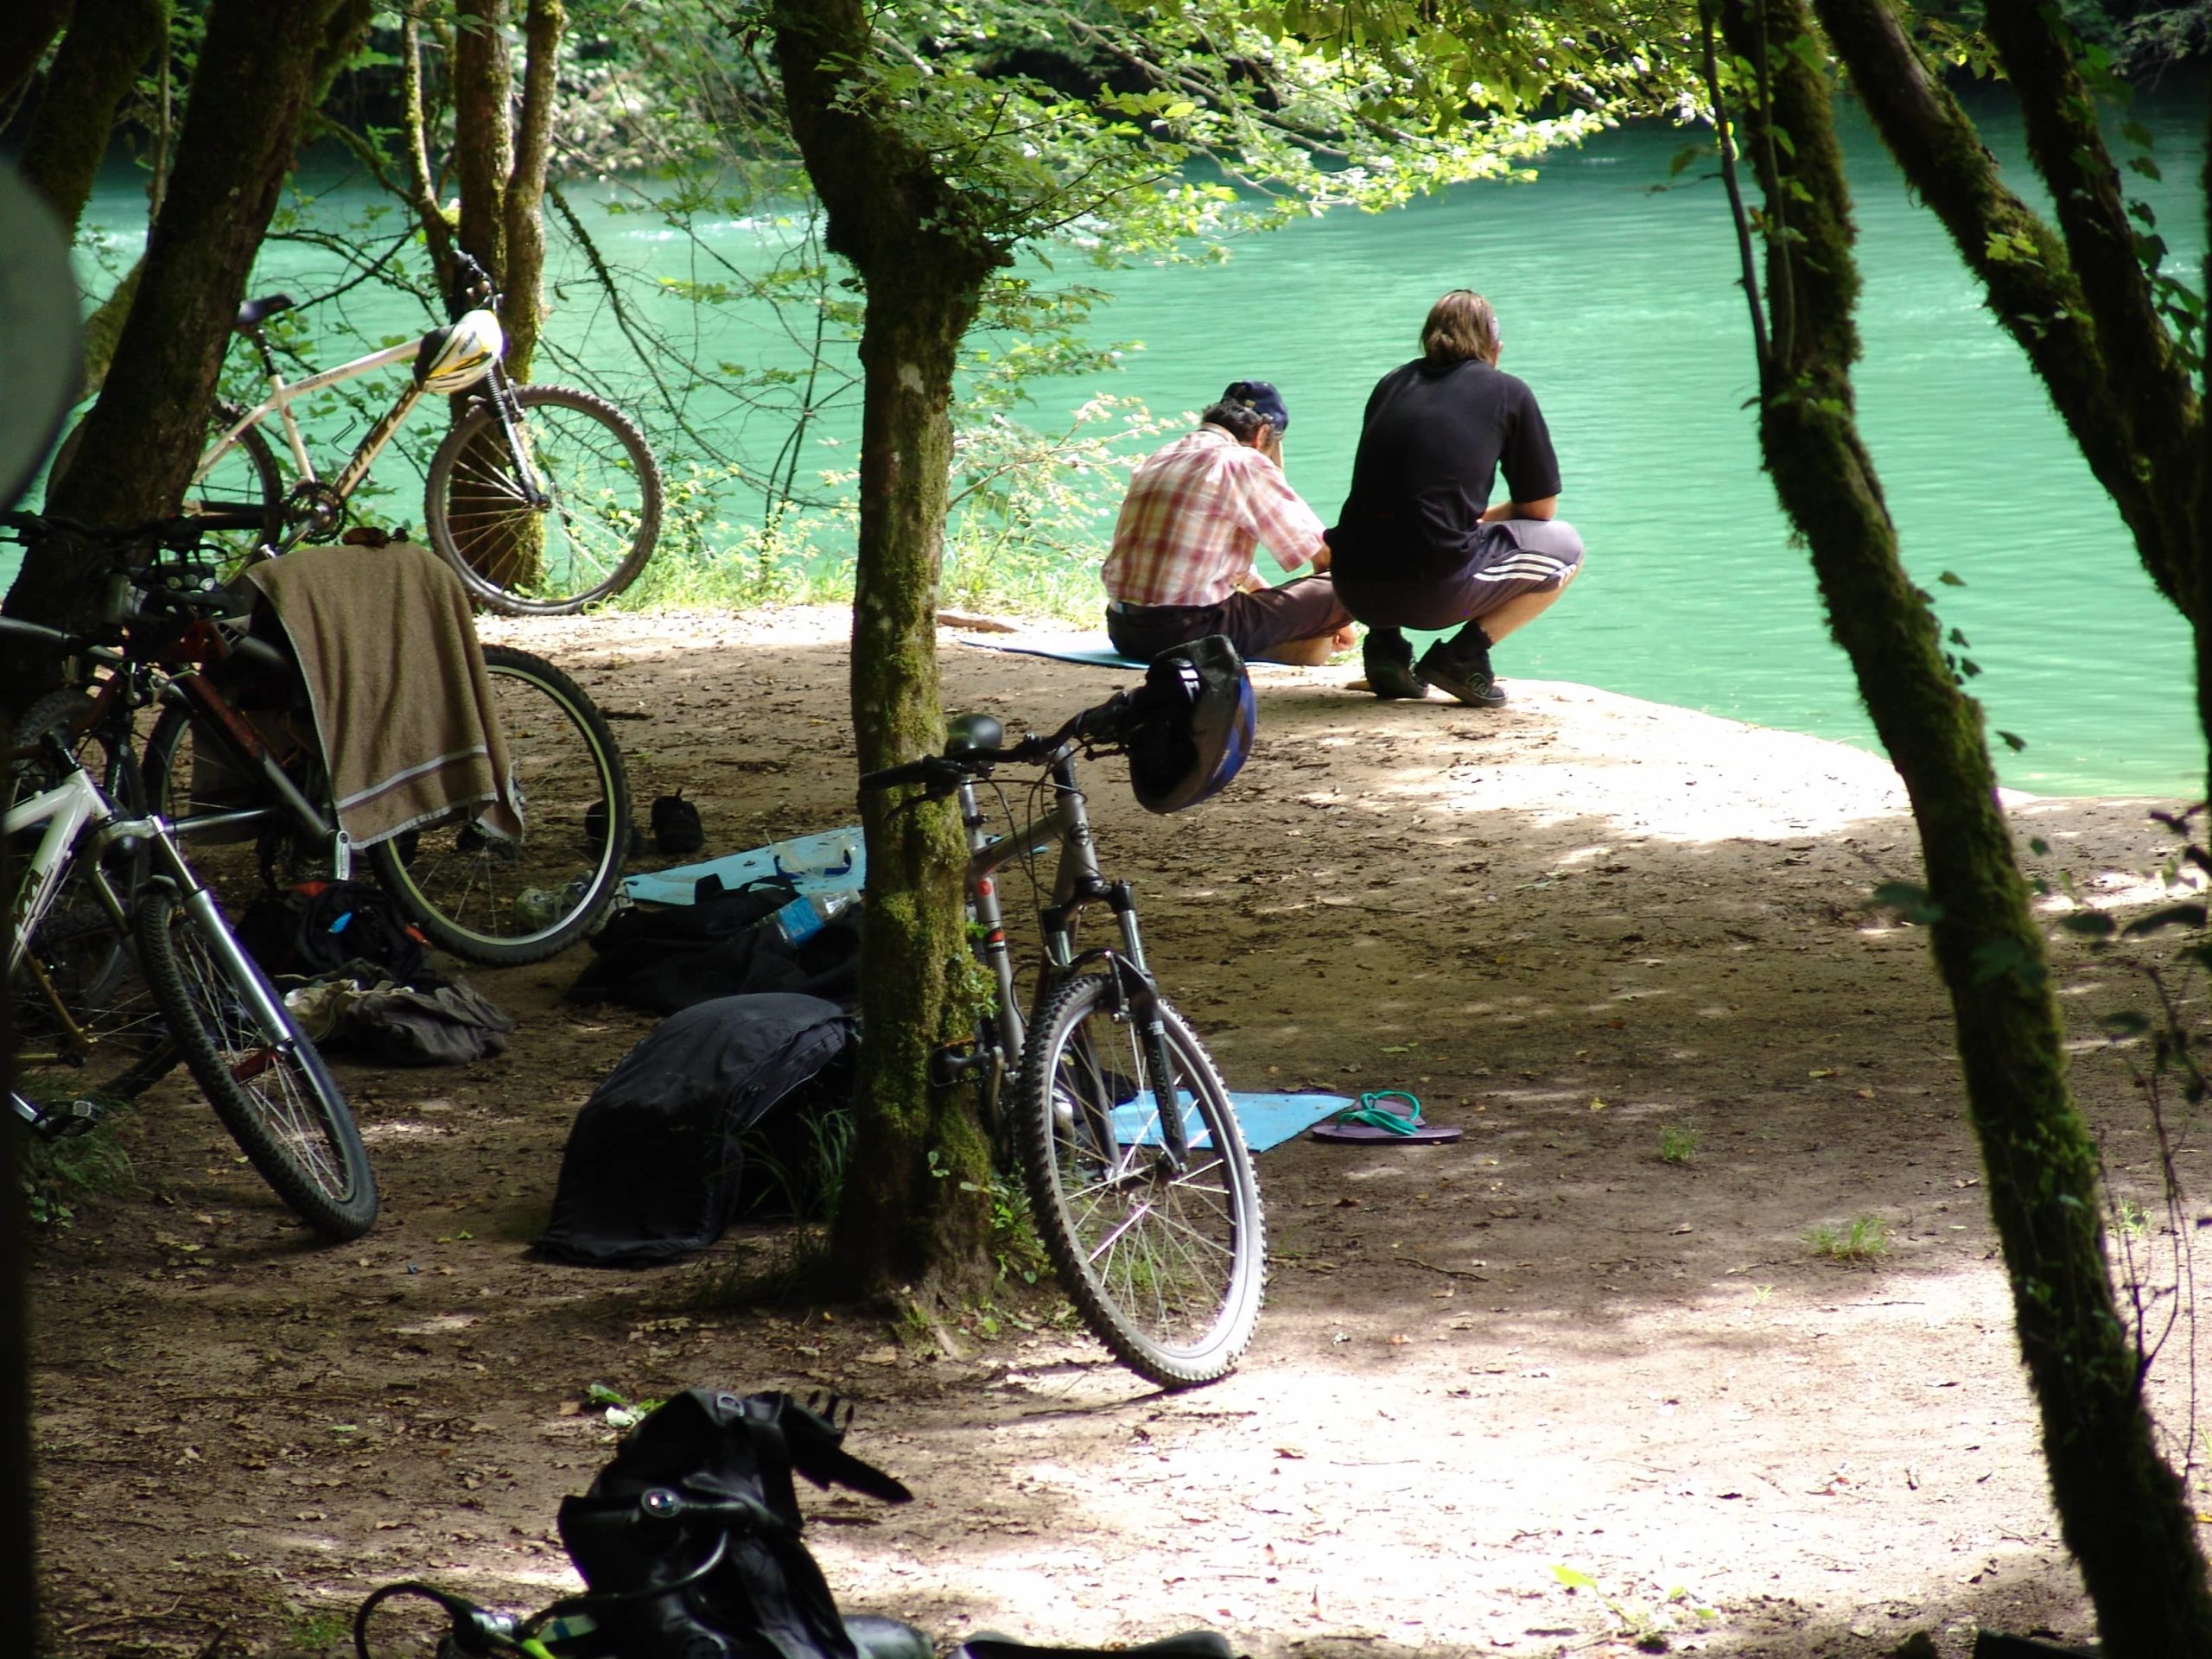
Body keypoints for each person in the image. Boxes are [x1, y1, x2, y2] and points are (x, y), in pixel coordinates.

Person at [1328, 290, 1586, 706]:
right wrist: (1479, 519)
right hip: (1434, 590)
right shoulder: (1508, 392)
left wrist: (1467, 517)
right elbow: (1539, 511)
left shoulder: (1392, 383)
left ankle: (1384, 649)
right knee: (1566, 547)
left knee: (1393, 522)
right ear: (1494, 347)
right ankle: (1463, 657)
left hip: (1353, 585)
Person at [1101, 379, 1354, 664]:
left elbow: (1208, 563)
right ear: (1262, 434)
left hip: (1123, 631)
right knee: (1357, 580)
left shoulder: (1162, 455)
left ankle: (1281, 648)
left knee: (1307, 643)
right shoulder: (1242, 462)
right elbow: (1325, 555)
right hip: (1188, 631)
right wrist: (1334, 615)